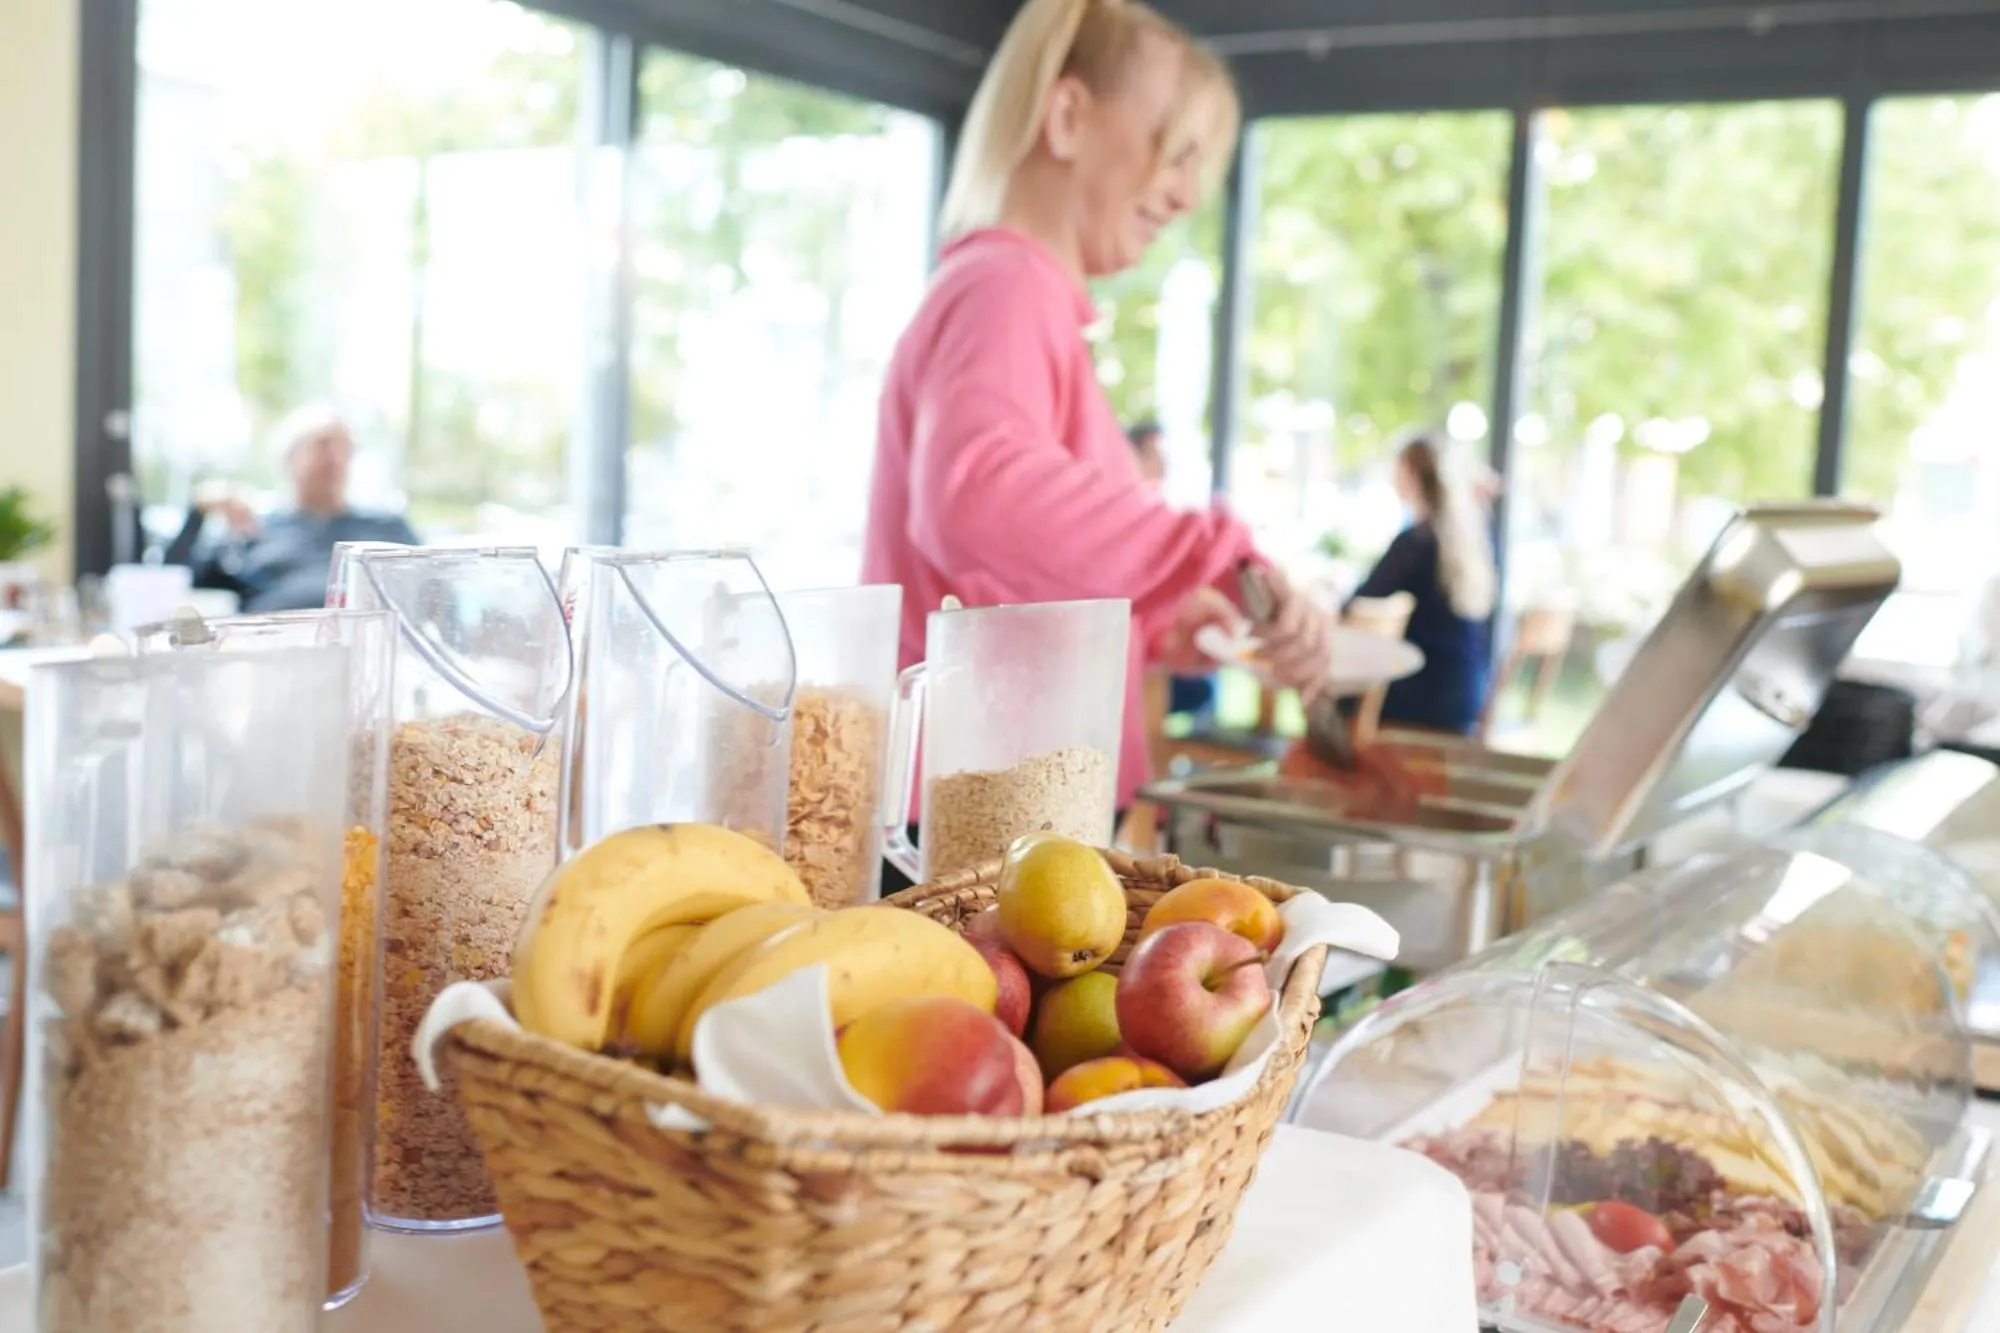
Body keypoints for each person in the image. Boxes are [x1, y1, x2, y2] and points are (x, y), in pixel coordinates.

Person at [863, 0, 1334, 887]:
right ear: (1069, 117)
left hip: (996, 816)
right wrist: (1209, 550)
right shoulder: (1009, 287)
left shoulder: (1008, 291)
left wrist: (1160, 617)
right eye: (1174, 147)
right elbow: (978, 497)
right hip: (979, 829)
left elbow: (1007, 581)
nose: (1189, 192)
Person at [163, 406, 418, 613]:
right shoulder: (253, 529)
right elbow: (173, 580)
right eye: (323, 445)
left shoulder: (388, 529)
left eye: (345, 448)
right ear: (289, 456)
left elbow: (432, 596)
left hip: (369, 656)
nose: (335, 458)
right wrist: (197, 512)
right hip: (274, 658)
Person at [1347, 432, 1497, 735]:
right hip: (1467, 694)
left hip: (1429, 697)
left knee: (1334, 696)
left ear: (1410, 474)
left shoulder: (1417, 542)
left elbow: (1359, 602)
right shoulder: (1468, 537)